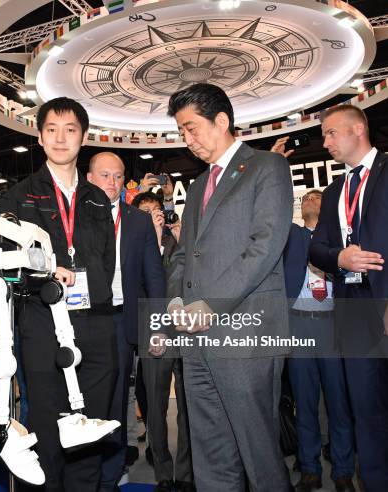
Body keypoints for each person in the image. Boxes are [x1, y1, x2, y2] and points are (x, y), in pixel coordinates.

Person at [166, 83, 293, 491]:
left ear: (221, 120)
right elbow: (185, 254)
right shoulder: (201, 184)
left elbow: (265, 247)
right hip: (196, 340)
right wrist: (175, 299)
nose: (187, 140)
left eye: (191, 128)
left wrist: (212, 304)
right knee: (210, 453)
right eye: (182, 132)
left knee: (259, 455)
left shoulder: (267, 168)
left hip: (246, 336)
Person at [0, 97, 118, 492]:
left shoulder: (99, 198)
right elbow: (3, 265)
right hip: (42, 324)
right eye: (51, 129)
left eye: (70, 130)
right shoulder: (19, 196)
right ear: (40, 136)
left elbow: (106, 260)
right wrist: (45, 273)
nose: (60, 138)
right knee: (47, 425)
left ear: (83, 137)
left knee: (91, 427)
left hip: (94, 324)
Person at [309, 105, 388, 492]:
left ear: (358, 129)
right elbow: (317, 249)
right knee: (365, 409)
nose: (325, 142)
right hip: (354, 310)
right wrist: (338, 258)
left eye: (330, 133)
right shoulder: (334, 191)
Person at [86, 152, 166, 492]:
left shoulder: (137, 221)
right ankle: (83, 471)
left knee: (117, 399)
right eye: (105, 176)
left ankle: (112, 471)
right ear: (89, 179)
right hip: (82, 319)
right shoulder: (76, 218)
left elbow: (154, 277)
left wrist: (158, 325)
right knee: (86, 401)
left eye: (118, 176)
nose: (112, 182)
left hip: (121, 322)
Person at [283, 189, 355, 492]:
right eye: (306, 198)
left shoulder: (338, 243)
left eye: (318, 197)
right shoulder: (293, 237)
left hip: (331, 328)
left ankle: (343, 471)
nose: (311, 199)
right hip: (298, 325)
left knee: (339, 404)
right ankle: (310, 468)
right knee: (305, 402)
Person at [131, 191, 193, 492]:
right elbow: (140, 284)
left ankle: (185, 472)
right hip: (153, 329)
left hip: (184, 330)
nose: (154, 216)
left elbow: (190, 277)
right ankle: (163, 473)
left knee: (187, 404)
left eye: (157, 211)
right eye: (146, 212)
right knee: (155, 405)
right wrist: (150, 242)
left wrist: (183, 241)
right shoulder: (133, 245)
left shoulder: (177, 240)